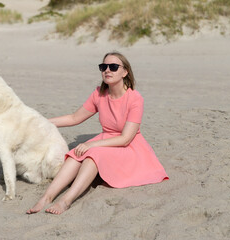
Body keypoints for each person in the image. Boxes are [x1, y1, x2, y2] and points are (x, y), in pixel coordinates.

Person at [26, 51, 169, 215]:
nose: (107, 70)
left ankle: (65, 201)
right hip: (105, 140)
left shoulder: (135, 98)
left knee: (92, 155)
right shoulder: (99, 94)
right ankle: (46, 197)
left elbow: (125, 138)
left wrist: (91, 144)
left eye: (113, 67)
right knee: (75, 155)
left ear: (125, 72)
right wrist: (40, 122)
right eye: (104, 67)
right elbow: (74, 118)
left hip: (129, 147)